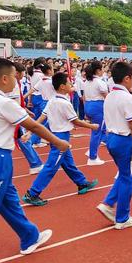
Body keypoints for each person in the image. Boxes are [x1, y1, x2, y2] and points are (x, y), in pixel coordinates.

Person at [0, 58, 70, 254]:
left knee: (9, 199)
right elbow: (34, 125)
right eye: (13, 76)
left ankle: (30, 236)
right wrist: (58, 142)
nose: (17, 79)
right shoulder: (3, 102)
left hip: (3, 158)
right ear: (4, 79)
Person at [22, 72, 99, 206]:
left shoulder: (52, 100)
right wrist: (92, 126)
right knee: (51, 166)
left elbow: (42, 117)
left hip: (58, 136)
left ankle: (81, 183)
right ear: (63, 86)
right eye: (69, 83)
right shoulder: (64, 103)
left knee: (68, 163)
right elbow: (76, 121)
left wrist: (29, 131)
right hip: (60, 137)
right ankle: (32, 193)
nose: (71, 85)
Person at [96, 62, 132, 229]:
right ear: (126, 78)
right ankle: (123, 218)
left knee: (123, 175)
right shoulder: (128, 98)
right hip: (124, 141)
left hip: (112, 139)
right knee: (128, 179)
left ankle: (108, 203)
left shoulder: (110, 96)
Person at [9, 62, 43, 175]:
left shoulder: (16, 83)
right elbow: (12, 102)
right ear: (17, 73)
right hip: (14, 117)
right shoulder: (11, 84)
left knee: (23, 140)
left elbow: (18, 100)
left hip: (17, 115)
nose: (24, 75)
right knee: (23, 139)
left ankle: (35, 163)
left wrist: (26, 110)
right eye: (23, 73)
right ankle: (35, 164)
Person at [82, 61, 108, 165]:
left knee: (99, 130)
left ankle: (92, 150)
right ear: (98, 70)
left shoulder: (87, 82)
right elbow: (107, 97)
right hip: (98, 106)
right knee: (96, 132)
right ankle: (92, 157)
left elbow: (84, 97)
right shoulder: (99, 82)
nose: (103, 71)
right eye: (102, 69)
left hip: (89, 105)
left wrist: (85, 110)